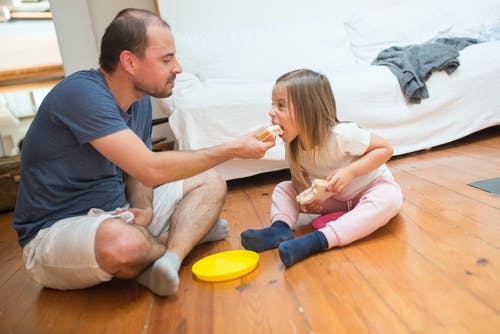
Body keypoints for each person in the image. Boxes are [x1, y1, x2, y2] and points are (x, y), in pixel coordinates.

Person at [13, 8, 274, 297]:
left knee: (209, 181)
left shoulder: (137, 102)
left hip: (120, 215)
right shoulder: (80, 94)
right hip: (56, 232)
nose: (178, 67)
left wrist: (147, 210)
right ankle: (179, 238)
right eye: (166, 59)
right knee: (125, 244)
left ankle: (170, 259)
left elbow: (136, 175)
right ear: (129, 62)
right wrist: (233, 148)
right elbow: (150, 168)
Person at [240, 69, 403, 267]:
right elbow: (298, 179)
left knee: (389, 199)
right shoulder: (295, 145)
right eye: (272, 104)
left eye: (280, 105)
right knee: (284, 189)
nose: (271, 112)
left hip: (370, 188)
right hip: (336, 199)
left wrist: (350, 172)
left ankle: (318, 240)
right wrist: (309, 200)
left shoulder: (342, 135)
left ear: (307, 110)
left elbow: (386, 148)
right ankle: (280, 230)